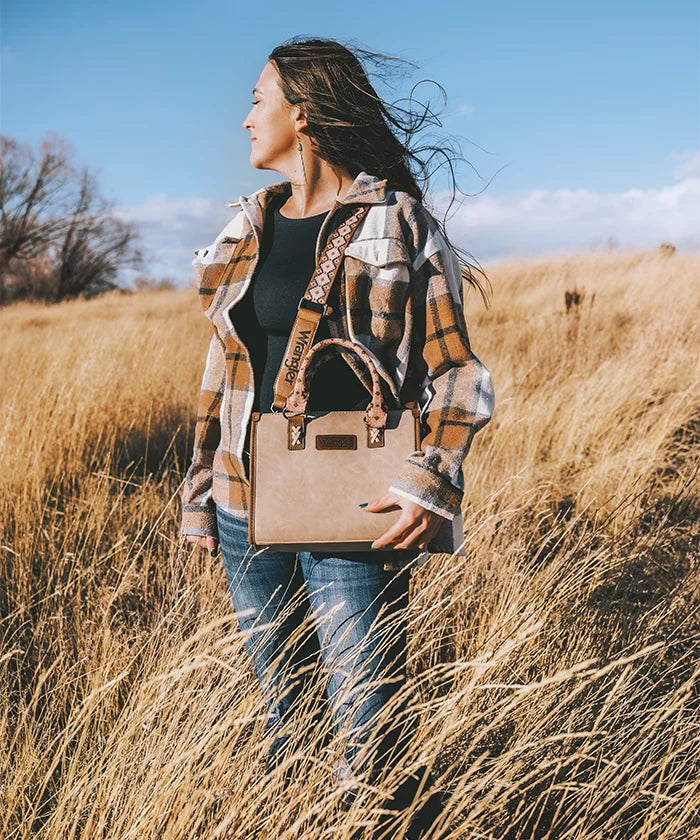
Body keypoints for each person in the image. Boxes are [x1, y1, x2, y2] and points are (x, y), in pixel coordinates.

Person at [180, 37, 495, 838]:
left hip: (356, 510)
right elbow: (221, 378)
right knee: (287, 727)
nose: (245, 116)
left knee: (370, 733)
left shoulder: (396, 223)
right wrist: (197, 498)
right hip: (242, 507)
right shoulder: (243, 232)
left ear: (305, 112)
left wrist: (435, 480)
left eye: (258, 98)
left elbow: (457, 371)